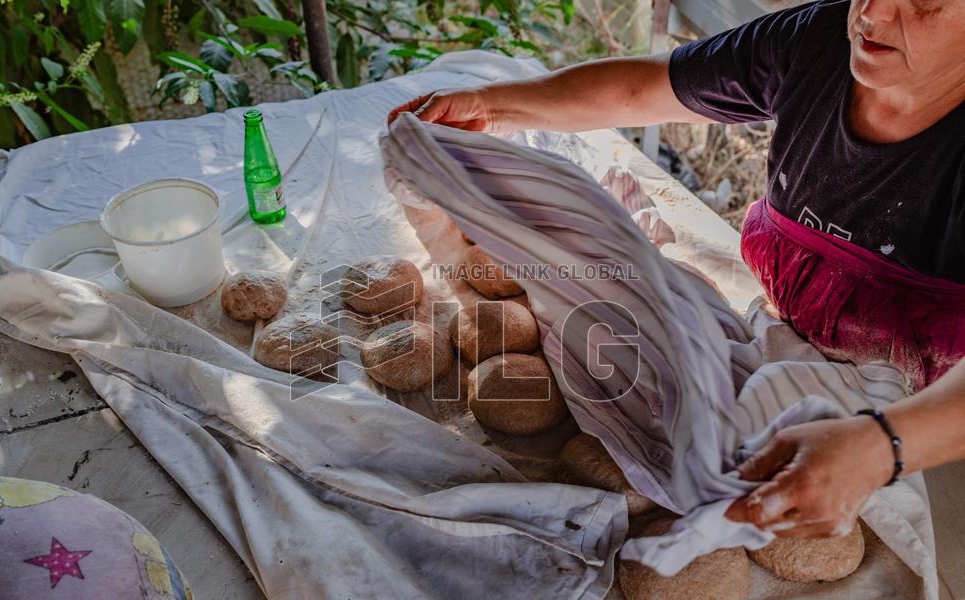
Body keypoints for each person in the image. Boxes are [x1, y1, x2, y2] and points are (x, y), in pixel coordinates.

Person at [388, 0, 965, 539]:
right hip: (785, 338)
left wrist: (880, 446)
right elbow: (645, 87)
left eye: (925, 0)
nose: (872, 13)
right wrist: (492, 106)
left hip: (929, 425)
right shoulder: (818, 39)